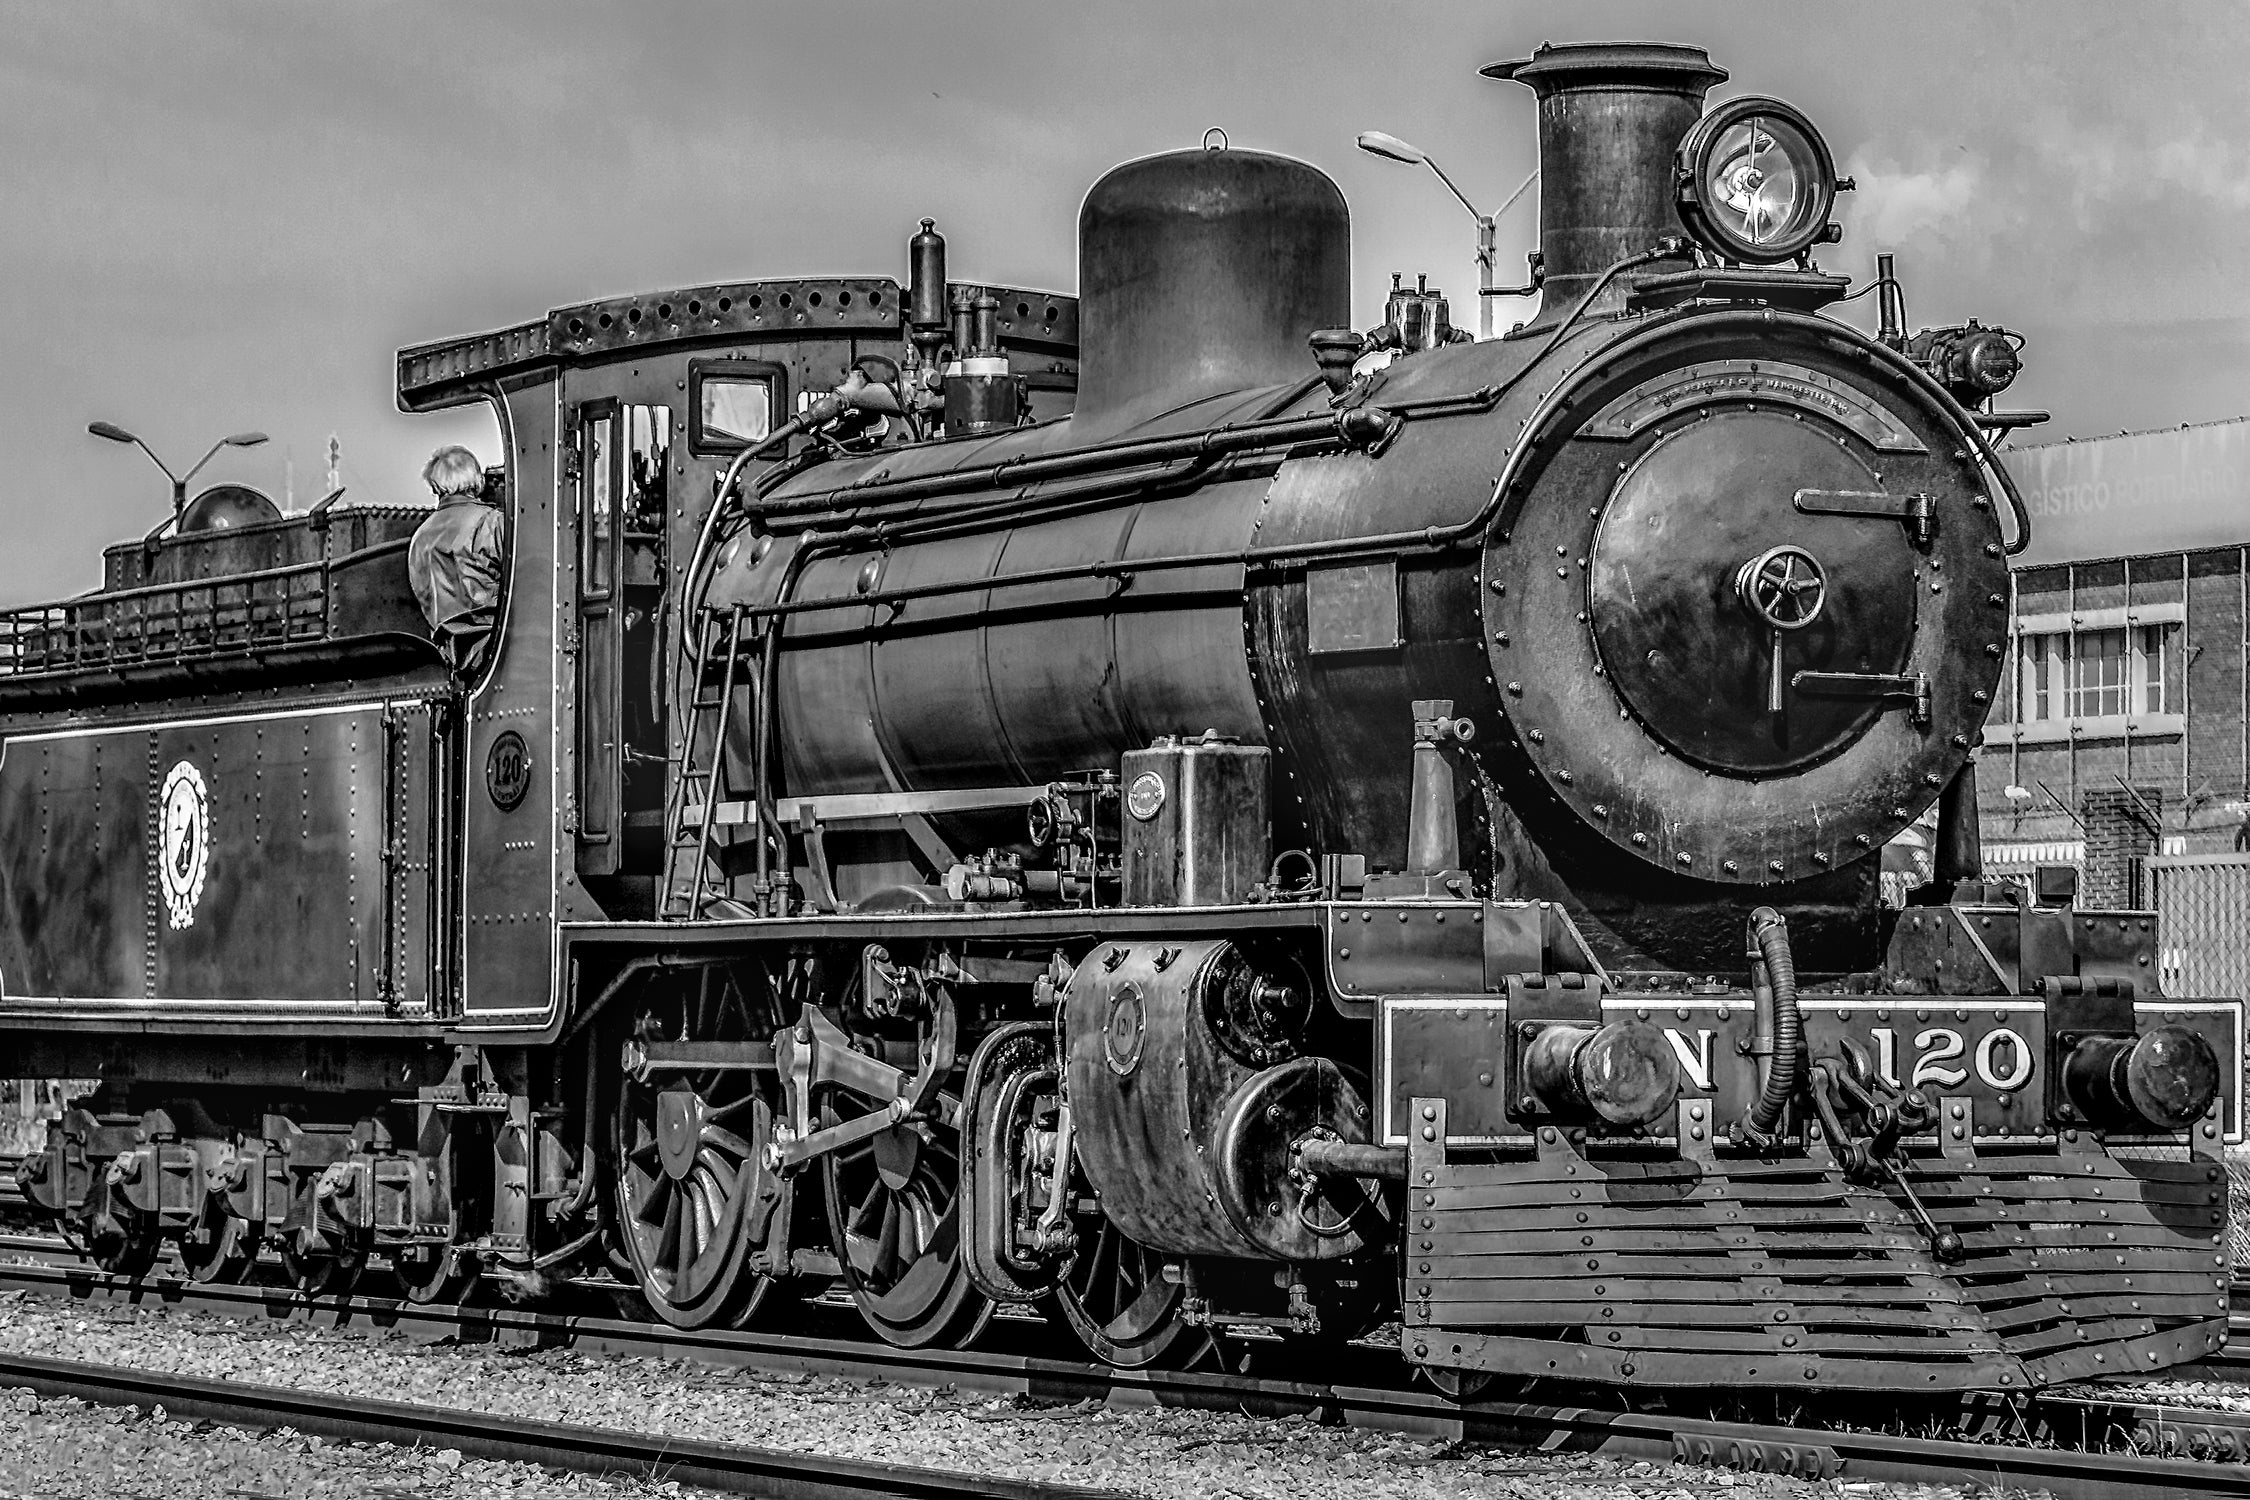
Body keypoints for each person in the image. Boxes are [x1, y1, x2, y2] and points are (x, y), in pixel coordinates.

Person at [407, 445, 504, 674]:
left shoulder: (420, 537)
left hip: (447, 654)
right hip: (495, 649)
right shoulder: (491, 522)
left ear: (435, 485)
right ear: (476, 480)